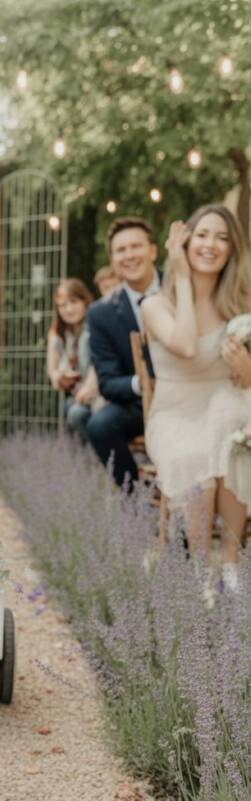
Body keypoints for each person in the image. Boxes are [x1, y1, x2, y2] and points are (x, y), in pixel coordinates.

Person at [142, 205, 251, 590]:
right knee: (194, 453)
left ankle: (230, 562)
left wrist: (247, 370)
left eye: (222, 238)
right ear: (185, 243)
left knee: (235, 431)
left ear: (232, 249)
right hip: (174, 415)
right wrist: (184, 280)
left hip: (227, 409)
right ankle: (200, 569)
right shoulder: (155, 305)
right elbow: (186, 345)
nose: (211, 245)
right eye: (203, 235)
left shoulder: (240, 306)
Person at [86, 216, 160, 488]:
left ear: (152, 250)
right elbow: (107, 382)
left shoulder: (180, 288)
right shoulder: (100, 313)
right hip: (139, 404)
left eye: (136, 247)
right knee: (99, 426)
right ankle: (138, 503)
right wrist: (142, 384)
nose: (129, 255)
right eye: (121, 250)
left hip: (188, 395)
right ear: (113, 259)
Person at [46, 278, 102, 441]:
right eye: (62, 305)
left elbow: (98, 363)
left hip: (101, 394)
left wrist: (89, 386)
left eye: (73, 302)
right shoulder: (62, 332)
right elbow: (52, 371)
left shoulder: (95, 325)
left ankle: (100, 455)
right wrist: (59, 377)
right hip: (78, 395)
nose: (68, 309)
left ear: (85, 301)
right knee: (72, 409)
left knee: (76, 413)